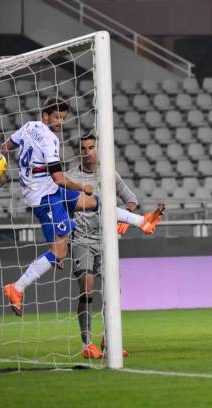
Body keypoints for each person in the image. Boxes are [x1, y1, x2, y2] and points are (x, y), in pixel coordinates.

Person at [0, 97, 163, 316]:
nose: (60, 122)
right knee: (58, 253)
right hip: (43, 197)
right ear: (45, 116)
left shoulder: (29, 127)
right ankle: (16, 288)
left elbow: (5, 147)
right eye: (56, 117)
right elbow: (58, 178)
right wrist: (81, 186)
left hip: (49, 190)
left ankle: (142, 222)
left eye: (63, 118)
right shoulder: (49, 140)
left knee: (94, 203)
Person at [65, 135, 138, 359]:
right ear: (79, 152)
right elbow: (59, 207)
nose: (88, 152)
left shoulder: (109, 174)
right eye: (83, 148)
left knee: (112, 290)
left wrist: (126, 217)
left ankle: (110, 340)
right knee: (87, 287)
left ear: (98, 149)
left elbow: (131, 199)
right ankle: (87, 343)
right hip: (81, 239)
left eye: (91, 147)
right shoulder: (70, 178)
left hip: (106, 240)